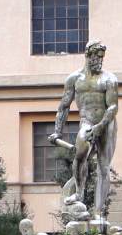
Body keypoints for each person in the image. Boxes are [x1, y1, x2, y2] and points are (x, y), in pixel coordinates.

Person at [50, 41, 118, 216]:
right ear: (88, 55)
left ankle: (98, 212)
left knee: (103, 167)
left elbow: (112, 107)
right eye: (97, 57)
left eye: (102, 57)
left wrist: (101, 126)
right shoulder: (74, 79)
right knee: (80, 155)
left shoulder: (109, 79)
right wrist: (58, 130)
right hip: (87, 122)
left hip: (106, 123)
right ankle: (79, 192)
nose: (100, 61)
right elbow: (64, 106)